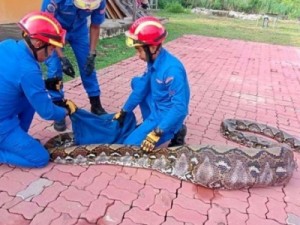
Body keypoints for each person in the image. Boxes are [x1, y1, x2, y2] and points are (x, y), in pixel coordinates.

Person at [0, 11, 77, 168]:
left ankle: (17, 139)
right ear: (37, 43)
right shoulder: (28, 70)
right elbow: (47, 112)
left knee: (30, 100)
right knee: (40, 158)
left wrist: (46, 84)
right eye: (51, 49)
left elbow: (13, 79)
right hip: (2, 123)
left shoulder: (7, 44)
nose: (50, 55)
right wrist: (66, 110)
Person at [113, 16, 190, 152]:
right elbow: (141, 88)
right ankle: (150, 123)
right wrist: (124, 111)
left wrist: (157, 132)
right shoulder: (153, 61)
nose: (138, 55)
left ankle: (175, 130)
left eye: (139, 50)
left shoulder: (172, 70)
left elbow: (180, 107)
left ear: (153, 47)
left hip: (165, 114)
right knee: (137, 83)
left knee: (128, 147)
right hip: (157, 105)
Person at [41, 0, 107, 132]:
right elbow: (47, 25)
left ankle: (95, 103)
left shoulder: (100, 2)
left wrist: (92, 53)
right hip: (54, 29)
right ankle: (58, 107)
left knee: (87, 66)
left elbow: (95, 26)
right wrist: (62, 58)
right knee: (55, 68)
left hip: (79, 30)